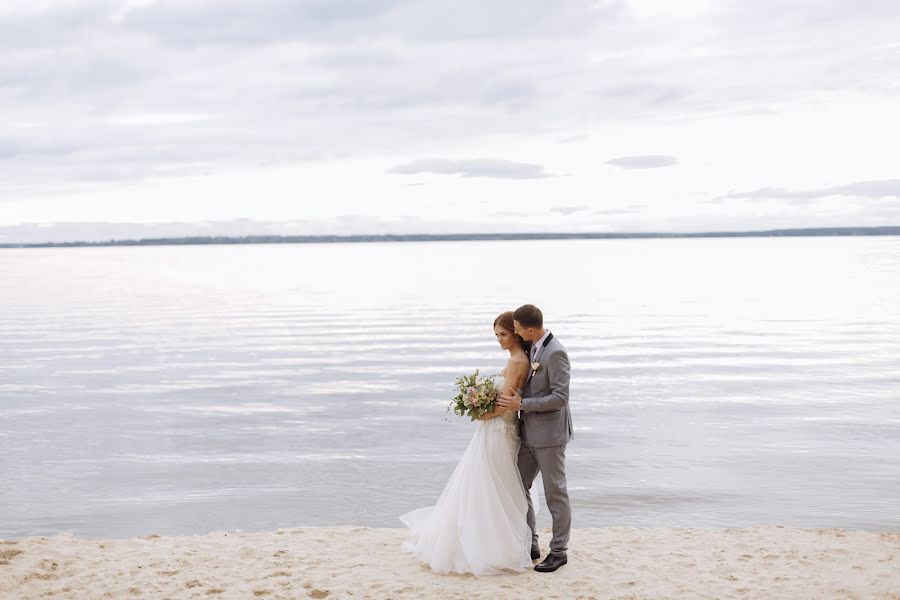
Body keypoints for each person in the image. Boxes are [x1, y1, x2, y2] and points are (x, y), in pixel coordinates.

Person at [398, 311, 536, 576]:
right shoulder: (513, 359)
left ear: (516, 333)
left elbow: (505, 403)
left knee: (494, 484)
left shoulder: (519, 361)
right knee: (482, 483)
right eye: (496, 335)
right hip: (492, 431)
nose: (499, 340)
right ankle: (484, 537)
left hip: (499, 431)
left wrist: (481, 413)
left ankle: (495, 543)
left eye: (503, 334)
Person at [497, 303, 573, 573]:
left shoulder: (556, 353)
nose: (516, 334)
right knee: (519, 485)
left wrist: (522, 405)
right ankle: (531, 543)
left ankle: (559, 552)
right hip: (527, 433)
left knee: (556, 493)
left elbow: (561, 398)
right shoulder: (531, 347)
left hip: (550, 435)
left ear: (530, 329)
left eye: (517, 330)